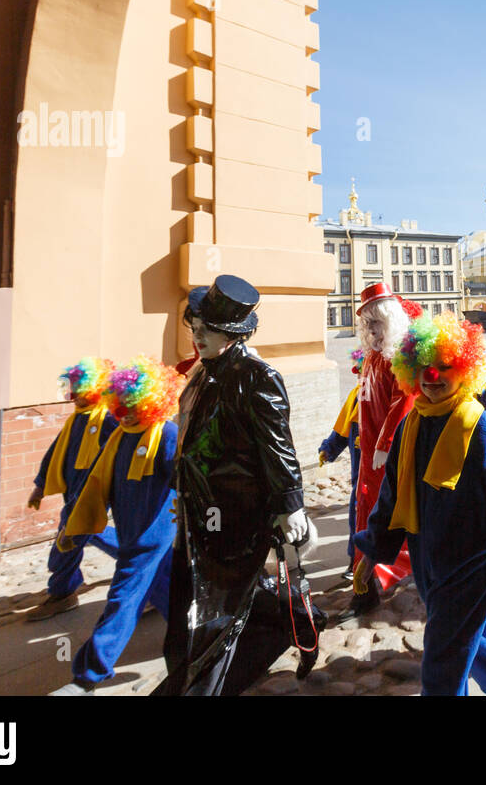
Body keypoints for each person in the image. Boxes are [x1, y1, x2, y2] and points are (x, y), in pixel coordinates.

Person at [355, 312, 486, 695]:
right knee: (469, 627)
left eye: (444, 367)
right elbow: (392, 494)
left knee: (443, 658)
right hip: (427, 553)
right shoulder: (411, 424)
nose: (432, 378)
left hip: (472, 556)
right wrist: (373, 550)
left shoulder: (479, 426)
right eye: (425, 369)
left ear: (466, 370)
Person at [157, 275, 313, 696]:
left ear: (232, 334)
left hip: (236, 524)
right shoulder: (203, 374)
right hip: (199, 522)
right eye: (196, 327)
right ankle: (284, 624)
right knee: (190, 614)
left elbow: (278, 447)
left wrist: (290, 505)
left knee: (212, 620)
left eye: (209, 330)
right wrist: (184, 491)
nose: (198, 336)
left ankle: (201, 684)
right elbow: (193, 444)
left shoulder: (256, 376)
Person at [51, 357, 182, 695]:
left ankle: (87, 676)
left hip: (151, 539)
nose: (124, 414)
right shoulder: (120, 436)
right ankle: (197, 640)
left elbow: (191, 478)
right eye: (119, 406)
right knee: (169, 594)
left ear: (150, 403)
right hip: (130, 533)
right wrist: (76, 528)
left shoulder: (167, 435)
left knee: (122, 599)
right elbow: (98, 484)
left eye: (132, 406)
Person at [25, 358, 120, 621]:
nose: (73, 396)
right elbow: (55, 452)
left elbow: (121, 452)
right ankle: (140, 559)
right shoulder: (75, 420)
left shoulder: (109, 419)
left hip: (92, 495)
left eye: (79, 390)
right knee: (83, 534)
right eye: (71, 389)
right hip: (73, 493)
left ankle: (62, 593)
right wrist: (40, 486)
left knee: (70, 539)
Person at [345, 283, 417, 619]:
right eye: (367, 325)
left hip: (386, 454)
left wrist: (386, 444)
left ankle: (372, 579)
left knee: (383, 512)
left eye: (378, 323)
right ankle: (367, 576)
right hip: (370, 453)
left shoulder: (397, 359)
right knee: (369, 509)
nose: (372, 331)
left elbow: (402, 401)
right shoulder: (373, 358)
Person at [318, 349, 363, 581]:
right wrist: (329, 449)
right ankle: (354, 560)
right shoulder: (355, 396)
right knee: (357, 514)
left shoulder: (389, 396)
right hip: (360, 476)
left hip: (384, 474)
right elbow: (342, 429)